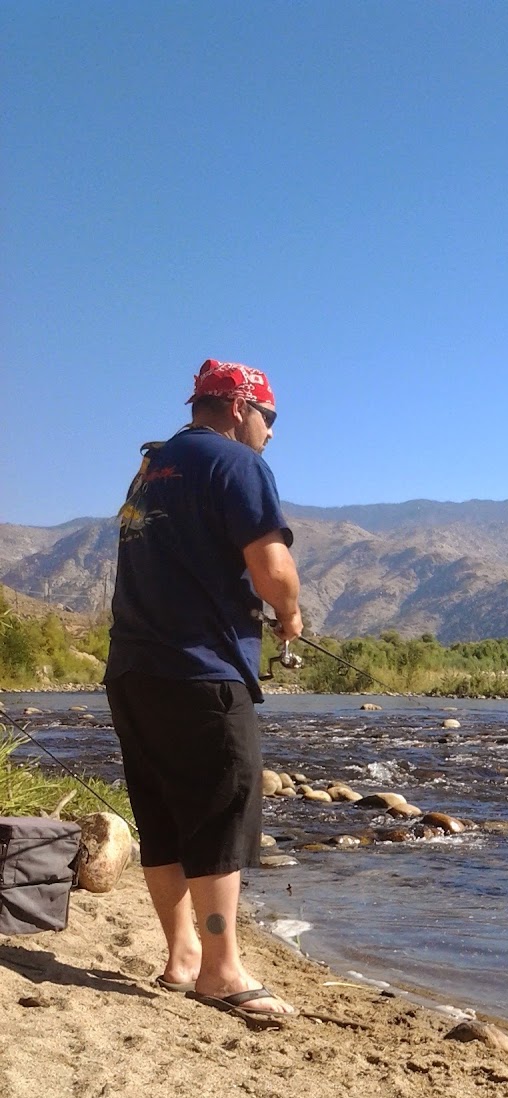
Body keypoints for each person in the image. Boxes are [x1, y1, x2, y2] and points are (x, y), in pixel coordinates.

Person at [104, 359, 302, 1019]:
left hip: (132, 671)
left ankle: (183, 957)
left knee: (160, 817)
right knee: (220, 814)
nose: (271, 434)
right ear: (241, 407)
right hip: (202, 672)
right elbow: (272, 569)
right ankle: (221, 970)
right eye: (269, 419)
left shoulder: (151, 468)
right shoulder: (237, 465)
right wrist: (290, 616)